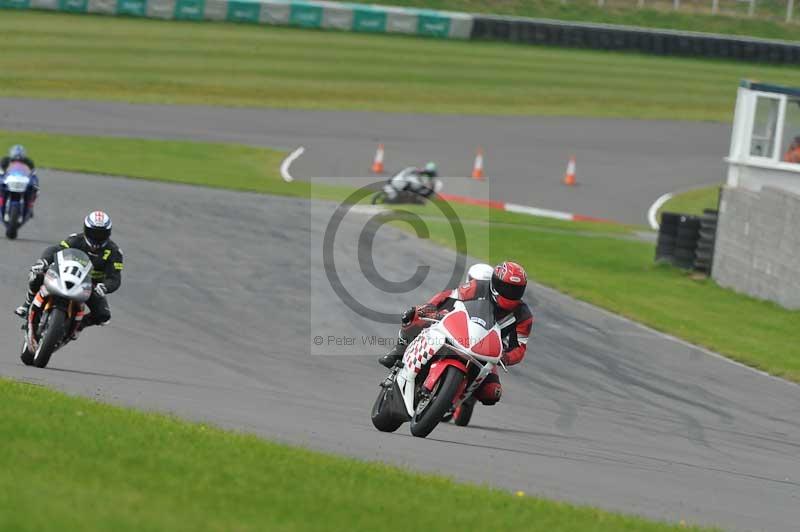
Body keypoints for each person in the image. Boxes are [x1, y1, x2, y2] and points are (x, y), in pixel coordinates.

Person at [378, 261, 534, 412]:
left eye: (515, 290)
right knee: (413, 315)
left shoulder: (523, 315)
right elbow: (448, 296)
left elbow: (520, 347)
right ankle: (399, 349)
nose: (510, 293)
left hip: (485, 350)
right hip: (458, 329)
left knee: (492, 393)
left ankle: (461, 398)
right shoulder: (478, 287)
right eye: (505, 288)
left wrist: (506, 357)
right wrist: (430, 308)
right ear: (495, 283)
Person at [15, 211, 124, 336]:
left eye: (101, 234)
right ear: (86, 230)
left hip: (90, 286)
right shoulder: (76, 239)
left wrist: (104, 287)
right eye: (93, 232)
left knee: (103, 316)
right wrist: (44, 261)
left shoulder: (114, 252)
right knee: (37, 275)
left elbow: (114, 277)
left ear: (108, 234)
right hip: (65, 274)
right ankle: (27, 304)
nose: (97, 237)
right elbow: (56, 250)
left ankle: (79, 325)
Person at [1, 144, 39, 218]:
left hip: (22, 180)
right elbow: (1, 170)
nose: (17, 156)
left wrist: (33, 181)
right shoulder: (5, 160)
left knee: (35, 189)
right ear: (11, 153)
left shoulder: (28, 161)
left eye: (20, 154)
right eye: (16, 154)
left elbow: (33, 173)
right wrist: (2, 176)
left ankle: (30, 207)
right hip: (8, 179)